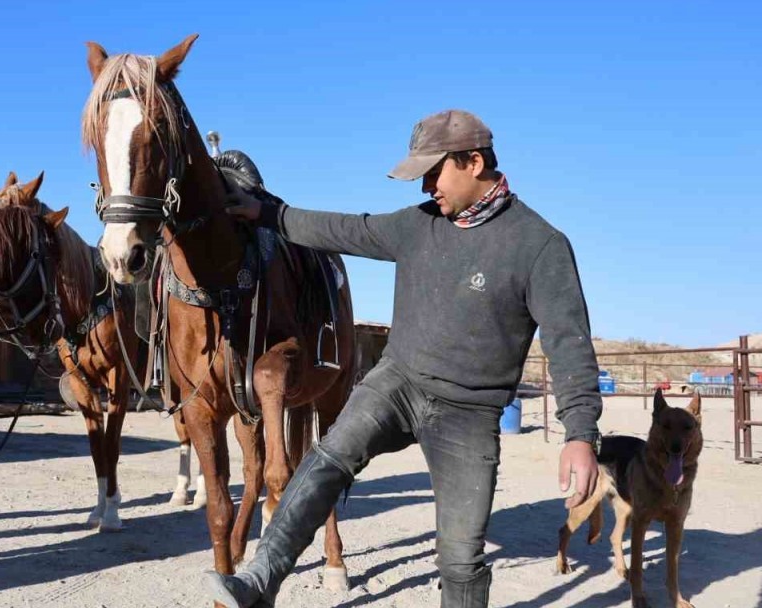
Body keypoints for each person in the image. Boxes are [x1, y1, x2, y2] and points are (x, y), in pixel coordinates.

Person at [205, 109, 602, 608]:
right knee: (327, 460)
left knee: (459, 557)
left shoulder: (539, 246)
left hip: (470, 412)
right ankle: (260, 581)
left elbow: (570, 343)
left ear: (474, 161)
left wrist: (581, 435)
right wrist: (267, 213)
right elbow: (344, 229)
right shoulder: (418, 226)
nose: (426, 188)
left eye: (434, 173)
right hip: (397, 382)